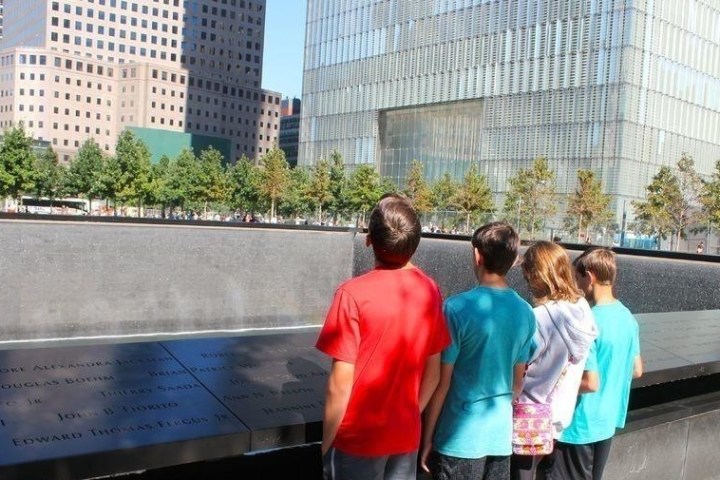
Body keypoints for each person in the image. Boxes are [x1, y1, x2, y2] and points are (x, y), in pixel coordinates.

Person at [316, 194, 450, 480]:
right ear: (414, 245)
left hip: (357, 439)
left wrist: (326, 445)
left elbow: (340, 384)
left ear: (369, 239)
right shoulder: (430, 291)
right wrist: (410, 415)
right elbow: (434, 372)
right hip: (404, 436)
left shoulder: (351, 294)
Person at [420, 222, 536, 480]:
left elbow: (441, 383)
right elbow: (518, 384)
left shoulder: (455, 309)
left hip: (459, 438)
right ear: (514, 259)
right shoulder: (526, 313)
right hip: (500, 438)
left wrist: (427, 438)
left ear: (477, 255)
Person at [548, 247, 643, 480]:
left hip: (579, 427)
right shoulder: (627, 317)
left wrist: (552, 386)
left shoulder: (588, 322)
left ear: (589, 277)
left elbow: (591, 383)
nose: (577, 286)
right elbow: (638, 370)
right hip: (607, 422)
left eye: (578, 278)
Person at [510, 241, 598, 480]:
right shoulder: (581, 309)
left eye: (528, 273)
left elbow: (520, 366)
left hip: (527, 414)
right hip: (558, 413)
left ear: (537, 274)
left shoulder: (540, 317)